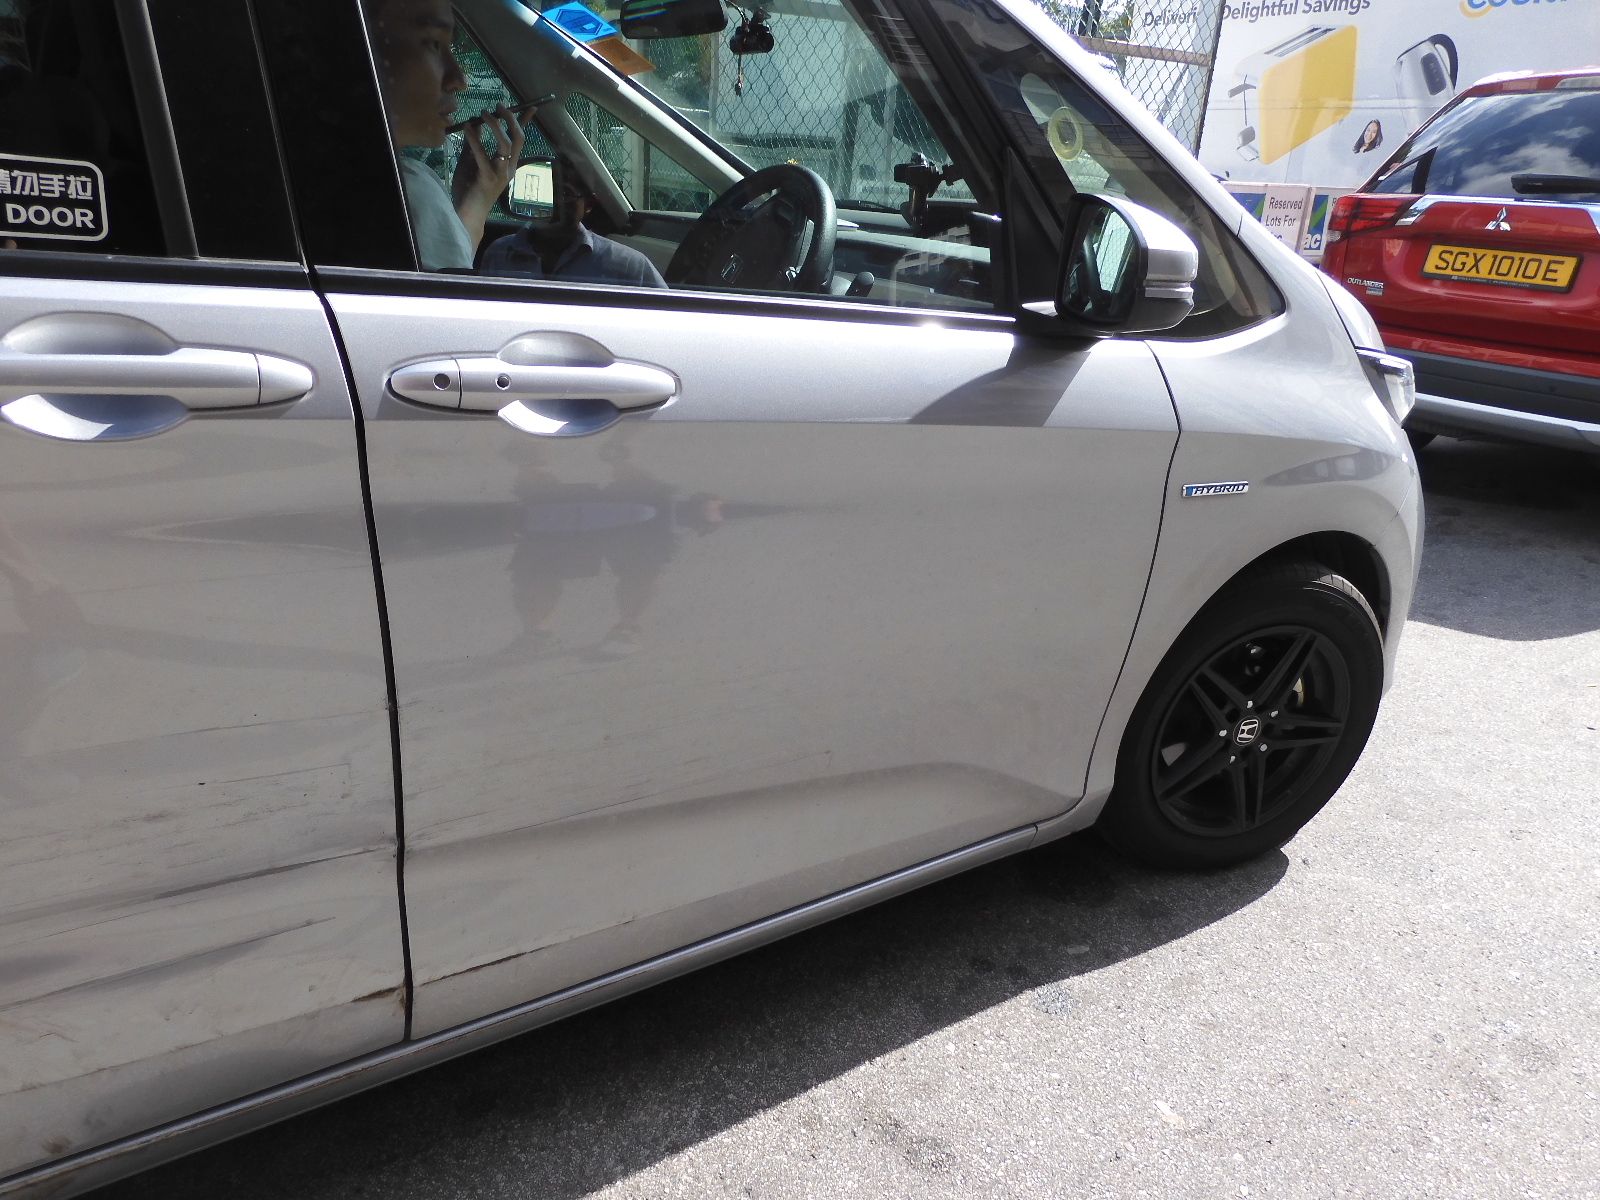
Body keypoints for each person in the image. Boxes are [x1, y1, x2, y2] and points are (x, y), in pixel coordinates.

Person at [365, 0, 524, 270]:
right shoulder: (412, 187)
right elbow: (453, 292)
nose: (458, 80)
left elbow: (446, 275)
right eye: (432, 43)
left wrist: (477, 202)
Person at [481, 156, 666, 287]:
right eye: (542, 194)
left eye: (564, 194)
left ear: (589, 203)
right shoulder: (498, 254)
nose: (552, 203)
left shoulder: (628, 266)